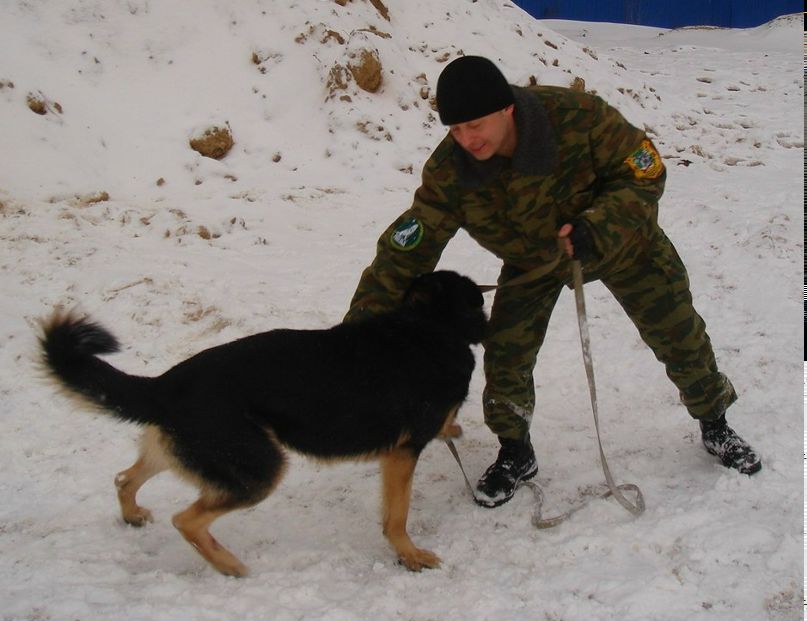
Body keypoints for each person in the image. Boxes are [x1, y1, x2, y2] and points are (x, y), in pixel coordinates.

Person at [344, 55, 761, 508]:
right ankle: (515, 451)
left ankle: (715, 422)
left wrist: (597, 225)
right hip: (533, 263)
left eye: (476, 125)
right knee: (506, 355)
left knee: (678, 333)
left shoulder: (579, 118)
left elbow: (645, 171)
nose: (467, 139)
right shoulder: (451, 171)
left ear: (506, 108)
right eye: (455, 129)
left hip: (624, 244)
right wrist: (355, 339)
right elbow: (403, 255)